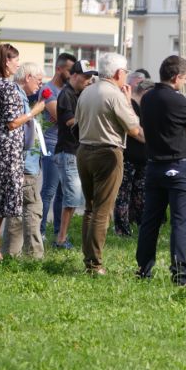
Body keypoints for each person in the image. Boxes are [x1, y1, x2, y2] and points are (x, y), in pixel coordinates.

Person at [136, 56, 186, 286]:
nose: (185, 82)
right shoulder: (177, 99)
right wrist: (185, 126)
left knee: (150, 222)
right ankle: (180, 276)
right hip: (177, 168)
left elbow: (157, 125)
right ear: (176, 77)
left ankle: (143, 270)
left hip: (153, 167)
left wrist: (179, 126)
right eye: (185, 78)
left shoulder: (148, 97)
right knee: (179, 223)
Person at [75, 52, 143, 275]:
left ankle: (88, 260)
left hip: (84, 150)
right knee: (102, 211)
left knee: (90, 208)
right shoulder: (113, 94)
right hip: (108, 153)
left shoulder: (87, 91)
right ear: (118, 73)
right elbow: (134, 128)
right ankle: (94, 265)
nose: (125, 76)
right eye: (125, 72)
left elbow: (77, 122)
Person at [0, 44, 46, 261]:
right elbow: (12, 122)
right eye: (15, 60)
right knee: (2, 197)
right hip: (8, 148)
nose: (17, 64)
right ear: (6, 62)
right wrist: (34, 112)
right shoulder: (7, 88)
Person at [2, 62, 46, 259]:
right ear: (27, 77)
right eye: (38, 80)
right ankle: (34, 255)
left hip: (22, 163)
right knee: (32, 209)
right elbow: (18, 127)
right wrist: (35, 112)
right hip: (24, 164)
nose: (40, 84)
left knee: (16, 209)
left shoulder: (19, 95)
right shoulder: (18, 97)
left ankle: (11, 253)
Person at [52, 60, 97, 249]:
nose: (88, 81)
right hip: (68, 151)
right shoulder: (66, 94)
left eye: (90, 78)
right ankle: (61, 239)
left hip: (73, 152)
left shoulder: (80, 93)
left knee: (65, 196)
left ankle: (59, 235)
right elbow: (70, 121)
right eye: (85, 77)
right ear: (74, 75)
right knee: (72, 198)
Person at [39, 52, 77, 240]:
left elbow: (65, 117)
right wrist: (67, 114)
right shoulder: (48, 90)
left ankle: (58, 232)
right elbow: (61, 116)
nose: (72, 75)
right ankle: (40, 232)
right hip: (51, 144)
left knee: (63, 193)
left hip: (65, 147)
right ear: (59, 69)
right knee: (49, 190)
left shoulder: (70, 91)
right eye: (70, 70)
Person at [114, 79, 154, 236]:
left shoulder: (143, 107)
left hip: (142, 158)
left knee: (140, 195)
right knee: (123, 195)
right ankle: (122, 230)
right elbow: (134, 129)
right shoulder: (128, 104)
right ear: (145, 92)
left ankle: (142, 225)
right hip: (128, 158)